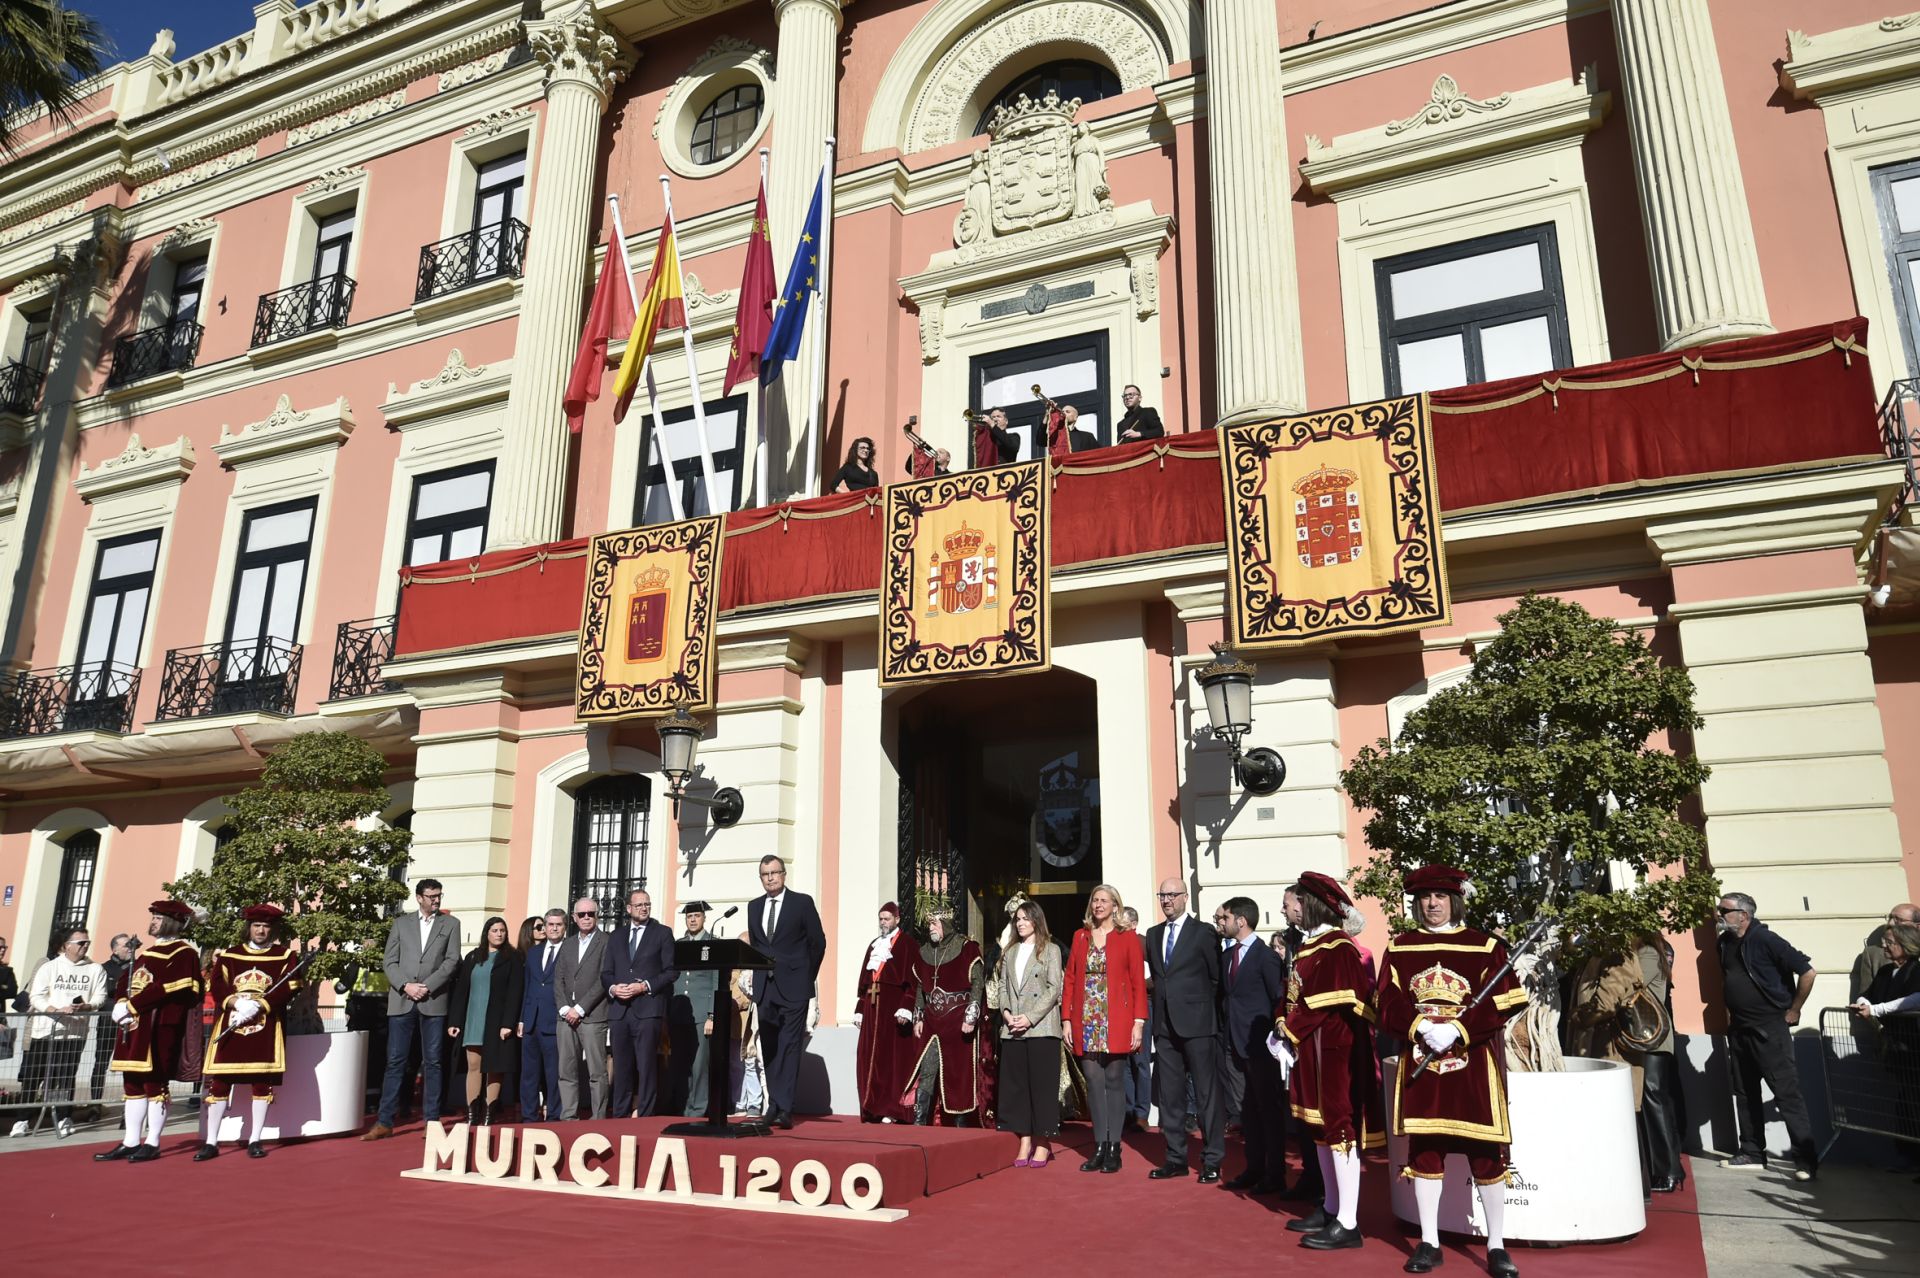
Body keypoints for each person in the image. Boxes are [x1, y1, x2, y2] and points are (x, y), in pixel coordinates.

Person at [1377, 866, 1529, 1277]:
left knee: (1485, 1154)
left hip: (1473, 1064)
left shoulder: (1485, 946)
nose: (1432, 904)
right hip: (1422, 1063)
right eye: (1425, 897)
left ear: (1455, 900)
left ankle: (1496, 1245)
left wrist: (1460, 1029)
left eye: (1440, 897)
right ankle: (1429, 1241)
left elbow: (1506, 1000)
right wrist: (1421, 1027)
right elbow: (1386, 1003)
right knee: (1426, 1152)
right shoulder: (1400, 946)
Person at [1273, 872, 1383, 1252]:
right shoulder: (1311, 945)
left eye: (1297, 902)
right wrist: (1280, 1024)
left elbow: (1326, 1000)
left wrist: (1288, 1031)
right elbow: (1293, 996)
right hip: (1313, 1050)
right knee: (1319, 1130)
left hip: (1335, 1053)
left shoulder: (1337, 947)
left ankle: (1349, 1222)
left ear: (1313, 904)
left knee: (1339, 1130)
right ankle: (1332, 1207)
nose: (1291, 908)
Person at [1714, 891, 1818, 1179]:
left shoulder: (1766, 940)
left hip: (1769, 1029)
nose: (1718, 914)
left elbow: (1807, 972)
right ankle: (1751, 1152)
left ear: (1744, 915)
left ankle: (1805, 1161)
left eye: (1724, 910)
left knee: (1787, 1095)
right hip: (1740, 1030)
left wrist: (1794, 1009)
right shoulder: (1724, 943)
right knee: (1745, 1093)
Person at [1569, 935, 1685, 1194]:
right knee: (1650, 1102)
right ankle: (1665, 1168)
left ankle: (1668, 1170)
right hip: (1635, 1036)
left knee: (1653, 1099)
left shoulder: (1648, 951)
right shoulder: (1650, 949)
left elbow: (1628, 988)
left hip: (1647, 1035)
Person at [97, 901, 203, 1163]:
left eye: (158, 917)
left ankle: (153, 1141)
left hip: (158, 1026)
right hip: (133, 1025)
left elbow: (168, 987)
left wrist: (132, 1004)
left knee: (155, 1083)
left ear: (172, 922)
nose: (153, 922)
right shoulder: (148, 952)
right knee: (132, 1083)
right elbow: (127, 979)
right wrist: (121, 1001)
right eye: (153, 917)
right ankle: (131, 1141)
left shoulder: (183, 953)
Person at [197, 905, 300, 1161]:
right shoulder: (230, 955)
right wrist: (235, 1003)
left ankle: (255, 1139)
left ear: (272, 929)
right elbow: (218, 986)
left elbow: (290, 986)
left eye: (265, 926)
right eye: (256, 926)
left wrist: (261, 1004)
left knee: (260, 1083)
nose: (261, 930)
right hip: (232, 1022)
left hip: (265, 1025)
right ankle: (211, 1141)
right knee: (220, 1083)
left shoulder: (285, 955)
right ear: (249, 928)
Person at [363, 879, 461, 1141]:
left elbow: (452, 961)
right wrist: (406, 985)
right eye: (431, 896)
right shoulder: (400, 924)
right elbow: (389, 961)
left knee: (434, 1062)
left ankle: (432, 1121)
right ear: (419, 898)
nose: (436, 900)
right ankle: (384, 1121)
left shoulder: (451, 924)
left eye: (439, 895)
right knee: (395, 1062)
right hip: (402, 1001)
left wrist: (426, 986)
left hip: (433, 1001)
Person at [1062, 884, 1146, 1173]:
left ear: (1114, 906)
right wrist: (1066, 1019)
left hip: (1117, 1017)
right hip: (1086, 1016)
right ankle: (1099, 1144)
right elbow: (1070, 978)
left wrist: (1139, 1022)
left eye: (1104, 901)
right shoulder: (1080, 936)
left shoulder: (1128, 937)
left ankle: (1114, 1146)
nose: (1098, 905)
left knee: (1114, 1079)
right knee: (1093, 1081)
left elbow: (1137, 981)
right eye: (1095, 900)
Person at [1143, 877, 1223, 1181]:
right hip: (1165, 1026)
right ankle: (1175, 1157)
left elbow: (1215, 979)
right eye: (1162, 895)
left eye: (1172, 894)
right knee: (1169, 1095)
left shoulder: (1203, 932)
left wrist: (1201, 1009)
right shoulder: (1153, 935)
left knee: (1206, 1094)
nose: (1166, 900)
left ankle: (1212, 1158)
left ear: (1185, 897)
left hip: (1199, 1024)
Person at [748, 855, 825, 1129]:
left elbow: (818, 942)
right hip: (765, 989)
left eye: (774, 872)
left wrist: (806, 976)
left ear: (784, 874)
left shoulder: (801, 903)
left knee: (790, 1046)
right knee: (769, 1047)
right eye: (765, 874)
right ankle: (774, 1104)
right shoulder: (754, 907)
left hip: (794, 988)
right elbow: (756, 945)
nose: (770, 878)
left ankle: (785, 1109)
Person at [1218, 896, 1287, 1194]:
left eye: (1225, 918)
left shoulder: (1266, 957)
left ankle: (1275, 1174)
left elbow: (1278, 1000)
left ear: (1241, 920)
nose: (1222, 923)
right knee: (1246, 1110)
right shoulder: (1228, 955)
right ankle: (1254, 1167)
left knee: (1268, 1110)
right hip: (1233, 1041)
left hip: (1260, 1045)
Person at [14, 927, 105, 1139]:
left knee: (66, 1076)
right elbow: (36, 996)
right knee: (33, 1076)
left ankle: (65, 1116)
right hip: (45, 1031)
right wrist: (54, 1010)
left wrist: (87, 1006)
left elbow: (100, 997)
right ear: (66, 945)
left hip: (75, 1033)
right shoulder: (50, 967)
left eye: (87, 943)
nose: (85, 946)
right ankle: (22, 1120)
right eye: (81, 943)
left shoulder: (95, 969)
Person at [996, 899, 1064, 1167]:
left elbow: (1053, 988)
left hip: (1041, 1028)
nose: (1021, 923)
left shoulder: (1051, 949)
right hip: (1011, 1028)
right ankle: (1024, 1138)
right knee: (1018, 1087)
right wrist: (1007, 1014)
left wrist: (1029, 1017)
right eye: (1018, 919)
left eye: (1026, 918)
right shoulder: (1010, 951)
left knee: (1042, 1088)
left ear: (1036, 920)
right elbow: (1002, 987)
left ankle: (1043, 1141)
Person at [908, 906, 985, 1126]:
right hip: (932, 1021)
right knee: (927, 1068)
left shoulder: (966, 948)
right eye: (929, 923)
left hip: (958, 1020)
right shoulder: (924, 951)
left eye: (935, 923)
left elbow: (977, 983)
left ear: (946, 924)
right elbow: (921, 987)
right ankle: (919, 1121)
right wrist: (919, 1016)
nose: (930, 927)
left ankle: (961, 1124)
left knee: (958, 1071)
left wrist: (971, 1015)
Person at [602, 888, 674, 1119]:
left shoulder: (662, 933)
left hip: (647, 1008)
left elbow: (671, 972)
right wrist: (614, 988)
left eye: (647, 904)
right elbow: (606, 973)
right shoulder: (616, 936)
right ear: (629, 908)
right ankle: (620, 1113)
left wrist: (645, 986)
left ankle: (645, 1113)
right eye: (640, 904)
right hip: (620, 1011)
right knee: (621, 1066)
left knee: (646, 1065)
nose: (644, 908)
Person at [1851, 920, 1920, 1159]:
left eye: (1890, 943)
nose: (1885, 947)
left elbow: (1914, 999)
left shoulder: (1916, 970)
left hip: (1913, 1045)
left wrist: (1877, 1009)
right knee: (1907, 1102)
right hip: (1895, 1045)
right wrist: (1863, 1004)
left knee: (1913, 1100)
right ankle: (1908, 1156)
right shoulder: (1884, 971)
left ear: (1906, 945)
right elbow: (1867, 995)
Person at [449, 916, 524, 1126]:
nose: (499, 934)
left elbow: (515, 992)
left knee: (494, 1067)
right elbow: (462, 990)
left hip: (498, 1021)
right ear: (487, 933)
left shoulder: (513, 958)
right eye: (495, 930)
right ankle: (473, 1115)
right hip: (474, 1018)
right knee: (474, 1065)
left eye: (502, 930)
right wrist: (455, 1020)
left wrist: (508, 1023)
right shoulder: (473, 957)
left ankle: (490, 1115)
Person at [852, 901, 917, 1123]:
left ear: (897, 919)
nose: (883, 923)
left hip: (893, 1011)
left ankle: (891, 1108)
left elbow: (912, 982)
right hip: (872, 1011)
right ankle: (872, 1108)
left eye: (887, 918)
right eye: (880, 919)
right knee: (869, 1058)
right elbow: (864, 982)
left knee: (890, 1061)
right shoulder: (874, 945)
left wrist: (906, 1007)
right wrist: (860, 1010)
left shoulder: (907, 944)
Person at [555, 897, 610, 1119]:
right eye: (582, 914)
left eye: (591, 914)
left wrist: (580, 1008)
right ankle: (569, 1116)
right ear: (574, 918)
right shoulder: (567, 944)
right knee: (566, 1071)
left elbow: (603, 979)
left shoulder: (606, 941)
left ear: (597, 916)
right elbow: (558, 979)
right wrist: (564, 1008)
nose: (587, 917)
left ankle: (598, 1118)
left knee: (597, 1072)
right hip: (566, 1017)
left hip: (593, 1015)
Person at [671, 901, 719, 1118]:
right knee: (681, 1062)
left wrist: (712, 1015)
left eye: (696, 916)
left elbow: (717, 981)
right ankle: (683, 1106)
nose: (692, 919)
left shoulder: (713, 944)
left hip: (701, 1012)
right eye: (689, 916)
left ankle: (698, 1109)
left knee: (700, 1065)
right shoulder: (679, 944)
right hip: (680, 1011)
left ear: (704, 918)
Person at [518, 909, 567, 1121]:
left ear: (565, 927)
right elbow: (527, 985)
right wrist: (521, 1018)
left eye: (558, 924)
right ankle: (529, 1116)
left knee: (553, 1074)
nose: (554, 928)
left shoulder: (570, 951)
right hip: (531, 1021)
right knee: (529, 1074)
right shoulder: (534, 953)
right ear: (545, 927)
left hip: (555, 1020)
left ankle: (554, 1116)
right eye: (550, 924)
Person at [88, 933, 135, 1110]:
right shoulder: (103, 968)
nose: (129, 948)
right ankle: (95, 1104)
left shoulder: (135, 968)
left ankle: (128, 1107)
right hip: (107, 1022)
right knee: (100, 1063)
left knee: (128, 1065)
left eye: (131, 945)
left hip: (130, 1023)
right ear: (115, 948)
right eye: (125, 945)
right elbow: (101, 991)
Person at [1118, 906, 1153, 1132]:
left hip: (1142, 1006)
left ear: (1132, 923)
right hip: (1120, 1008)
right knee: (1123, 1063)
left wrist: (1141, 986)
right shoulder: (1115, 943)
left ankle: (1142, 1113)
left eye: (1120, 922)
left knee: (1140, 1061)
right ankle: (1129, 1110)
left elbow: (1158, 974)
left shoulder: (1143, 944)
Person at [1852, 903, 1920, 1003]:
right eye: (1890, 918)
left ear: (1917, 926)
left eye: (1898, 920)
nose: (1891, 923)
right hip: (1882, 1017)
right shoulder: (1873, 954)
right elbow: (1865, 994)